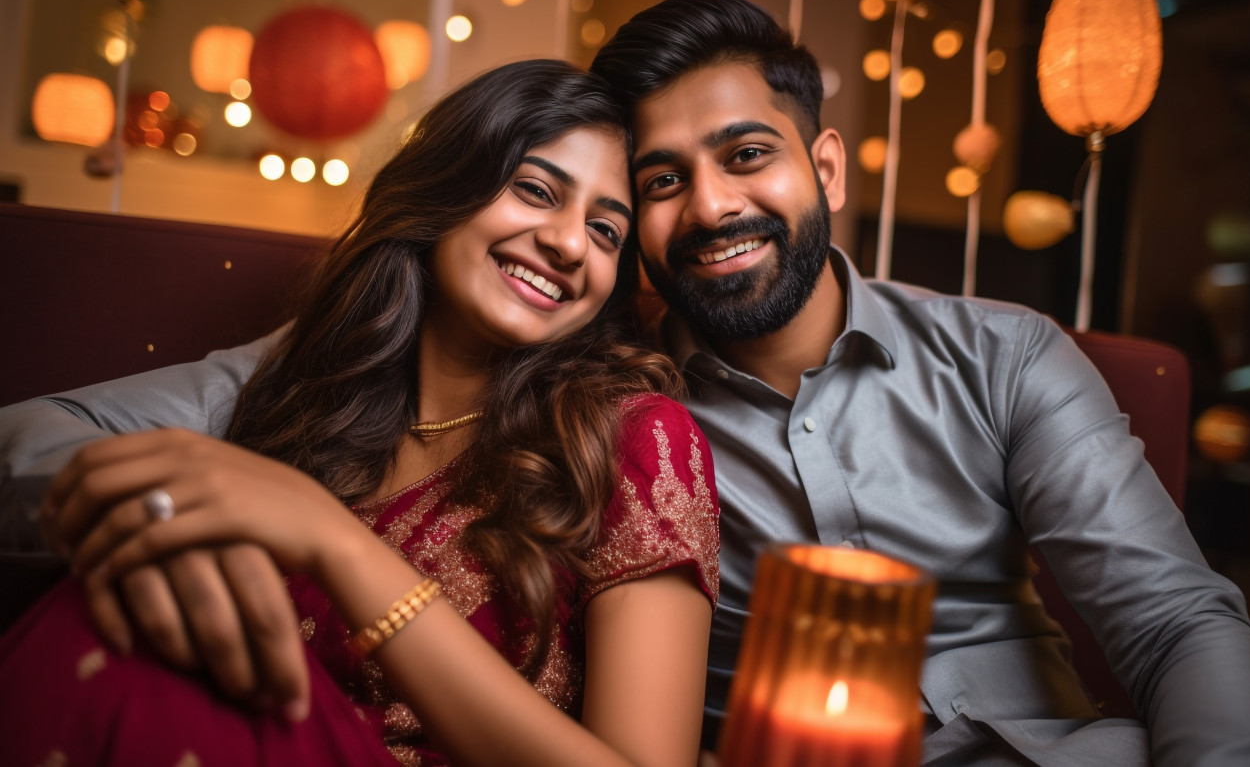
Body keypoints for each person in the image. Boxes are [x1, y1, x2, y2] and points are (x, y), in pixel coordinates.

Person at [3, 0, 1250, 766]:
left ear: (824, 166)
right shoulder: (582, 389)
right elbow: (54, 443)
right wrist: (165, 511)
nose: (711, 206)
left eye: (746, 156)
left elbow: (1174, 625)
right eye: (660, 185)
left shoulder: (1000, 357)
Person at [0, 58, 720, 767]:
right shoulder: (307, 390)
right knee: (105, 603)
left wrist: (336, 545)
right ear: (444, 190)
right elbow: (33, 432)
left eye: (605, 232)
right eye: (535, 190)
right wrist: (162, 526)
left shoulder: (631, 434)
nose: (567, 243)